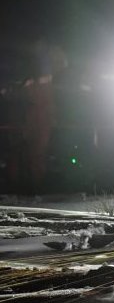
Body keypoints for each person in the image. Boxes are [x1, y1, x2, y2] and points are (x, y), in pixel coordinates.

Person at [4, 40, 68, 195]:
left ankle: (33, 187)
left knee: (33, 155)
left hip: (34, 121)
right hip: (27, 120)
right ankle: (29, 187)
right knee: (25, 155)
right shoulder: (34, 83)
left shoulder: (40, 84)